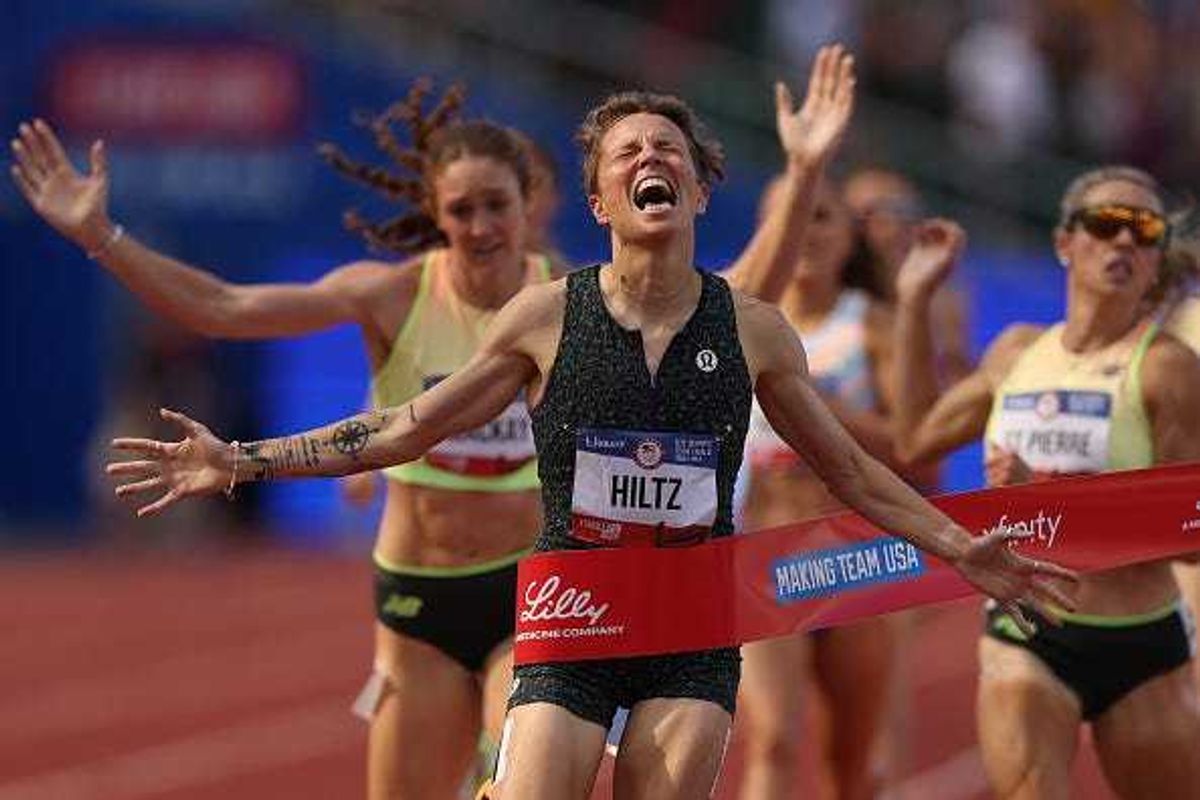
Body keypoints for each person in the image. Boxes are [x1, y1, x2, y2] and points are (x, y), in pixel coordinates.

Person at [102, 77, 1074, 800]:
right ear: (603, 203)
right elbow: (407, 425)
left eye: (671, 150)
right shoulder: (540, 317)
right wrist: (243, 458)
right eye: (627, 154)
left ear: (698, 193)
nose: (652, 158)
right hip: (571, 611)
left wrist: (959, 546)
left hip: (692, 621)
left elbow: (856, 470)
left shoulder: (753, 327)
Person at [12, 46, 863, 799]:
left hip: (533, 589)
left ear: (532, 206)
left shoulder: (573, 297)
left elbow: (741, 291)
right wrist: (103, 236)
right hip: (417, 598)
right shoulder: (394, 294)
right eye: (461, 212)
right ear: (436, 213)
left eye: (497, 206)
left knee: (518, 771)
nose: (482, 228)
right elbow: (227, 306)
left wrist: (802, 179)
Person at [891, 167, 1200, 799]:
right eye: (1105, 225)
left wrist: (1049, 496)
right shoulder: (1016, 352)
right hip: (1025, 631)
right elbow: (916, 439)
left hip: (1139, 639)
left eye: (1143, 232)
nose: (1123, 244)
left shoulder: (1167, 368)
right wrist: (915, 299)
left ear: (1156, 256)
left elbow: (1190, 536)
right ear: (1065, 242)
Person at [737, 179, 906, 800]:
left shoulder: (873, 325)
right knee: (775, 738)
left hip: (853, 557)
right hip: (763, 555)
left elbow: (915, 445)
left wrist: (818, 408)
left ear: (850, 234)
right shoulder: (737, 320)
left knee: (852, 767)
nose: (805, 232)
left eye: (822, 217)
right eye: (789, 217)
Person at [844, 166, 972, 384]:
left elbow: (954, 380)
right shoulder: (826, 296)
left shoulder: (942, 301)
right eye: (866, 214)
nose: (895, 224)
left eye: (903, 211)